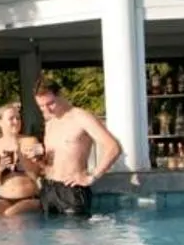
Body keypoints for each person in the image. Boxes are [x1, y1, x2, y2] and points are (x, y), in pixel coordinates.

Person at [34, 80, 121, 217]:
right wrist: (39, 158)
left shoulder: (81, 117)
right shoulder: (50, 122)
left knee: (75, 236)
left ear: (60, 95)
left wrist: (92, 176)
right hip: (48, 190)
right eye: (41, 106)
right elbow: (53, 161)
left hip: (72, 191)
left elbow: (114, 147)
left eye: (50, 103)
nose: (47, 109)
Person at [0, 103, 46, 217]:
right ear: (0, 122)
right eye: (11, 118)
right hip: (5, 199)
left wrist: (19, 154)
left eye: (18, 118)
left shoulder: (31, 141)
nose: (16, 122)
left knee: (11, 214)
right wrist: (1, 167)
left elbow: (34, 176)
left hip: (29, 197)